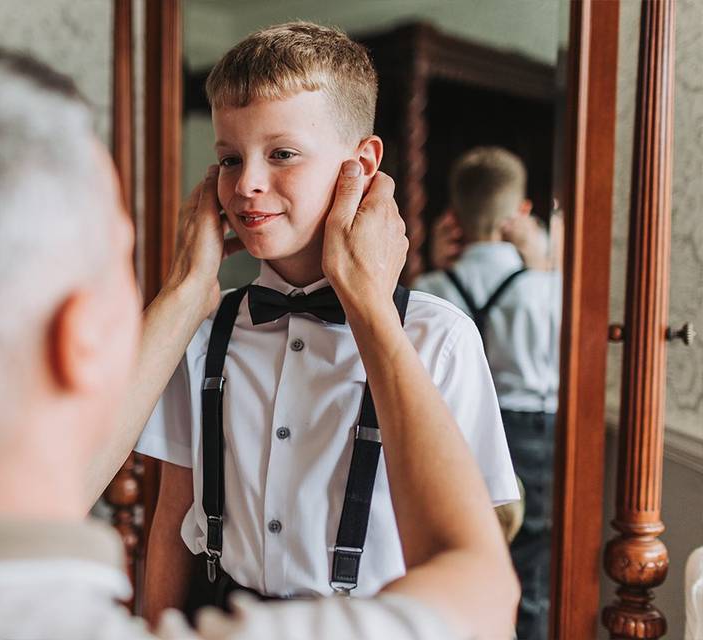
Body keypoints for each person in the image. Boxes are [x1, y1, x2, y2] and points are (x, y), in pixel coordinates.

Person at [0, 45, 519, 640]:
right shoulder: (213, 336)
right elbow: (481, 588)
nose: (243, 184)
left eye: (281, 153)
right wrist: (222, 302)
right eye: (118, 254)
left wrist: (189, 292)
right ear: (80, 339)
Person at [137, 21, 519, 622]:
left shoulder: (438, 338)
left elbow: (481, 542)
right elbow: (169, 518)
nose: (248, 184)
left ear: (360, 163)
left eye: (282, 153)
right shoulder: (201, 335)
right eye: (230, 159)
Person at [414, 147, 562, 640]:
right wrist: (542, 263)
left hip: (452, 432)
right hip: (532, 434)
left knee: (457, 559)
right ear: (521, 214)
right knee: (531, 569)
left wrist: (431, 266)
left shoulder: (431, 286)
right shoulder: (545, 287)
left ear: (452, 218)